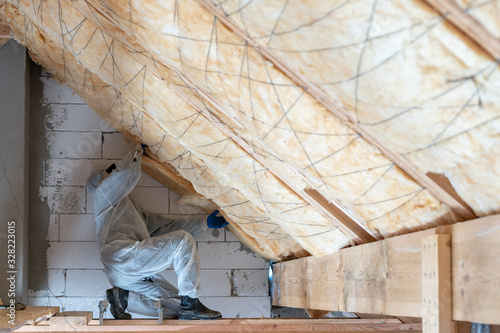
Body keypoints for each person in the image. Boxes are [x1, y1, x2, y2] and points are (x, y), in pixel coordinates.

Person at [86, 144, 228, 320]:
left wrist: (204, 223)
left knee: (177, 309)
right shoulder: (103, 195)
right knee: (183, 241)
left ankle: (125, 299)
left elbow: (165, 228)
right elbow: (125, 175)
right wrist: (138, 152)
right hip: (122, 258)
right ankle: (191, 302)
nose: (113, 176)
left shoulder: (131, 209)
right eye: (109, 175)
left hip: (128, 272)